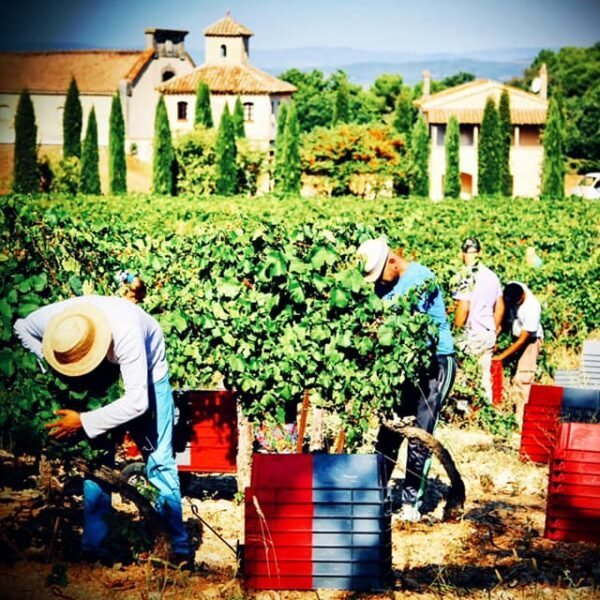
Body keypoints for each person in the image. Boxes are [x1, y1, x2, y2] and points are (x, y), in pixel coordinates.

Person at [13, 295, 192, 566]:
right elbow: (20, 327)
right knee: (95, 461)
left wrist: (83, 421)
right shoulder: (59, 321)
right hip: (98, 373)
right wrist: (52, 363)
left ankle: (176, 550)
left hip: (148, 379)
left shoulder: (127, 333)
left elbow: (138, 402)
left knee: (159, 461)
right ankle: (96, 548)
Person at [357, 235, 457, 522]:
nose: (379, 283)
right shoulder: (383, 283)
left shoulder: (420, 278)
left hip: (435, 364)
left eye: (380, 276)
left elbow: (410, 331)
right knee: (389, 431)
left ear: (392, 261)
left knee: (420, 435)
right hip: (401, 366)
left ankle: (412, 502)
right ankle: (377, 494)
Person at [452, 237, 504, 405]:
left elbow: (464, 307)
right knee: (484, 378)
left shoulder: (465, 276)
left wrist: (456, 332)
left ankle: (462, 414)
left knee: (462, 377)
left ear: (462, 254)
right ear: (479, 253)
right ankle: (485, 413)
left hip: (471, 333)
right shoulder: (492, 276)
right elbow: (500, 306)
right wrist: (493, 330)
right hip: (488, 332)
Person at [493, 282, 543, 427]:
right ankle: (510, 413)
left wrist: (501, 357)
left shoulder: (532, 307)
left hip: (530, 341)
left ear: (522, 297)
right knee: (511, 378)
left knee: (523, 378)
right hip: (516, 337)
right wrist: (493, 337)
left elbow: (523, 340)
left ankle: (521, 420)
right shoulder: (512, 289)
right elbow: (503, 319)